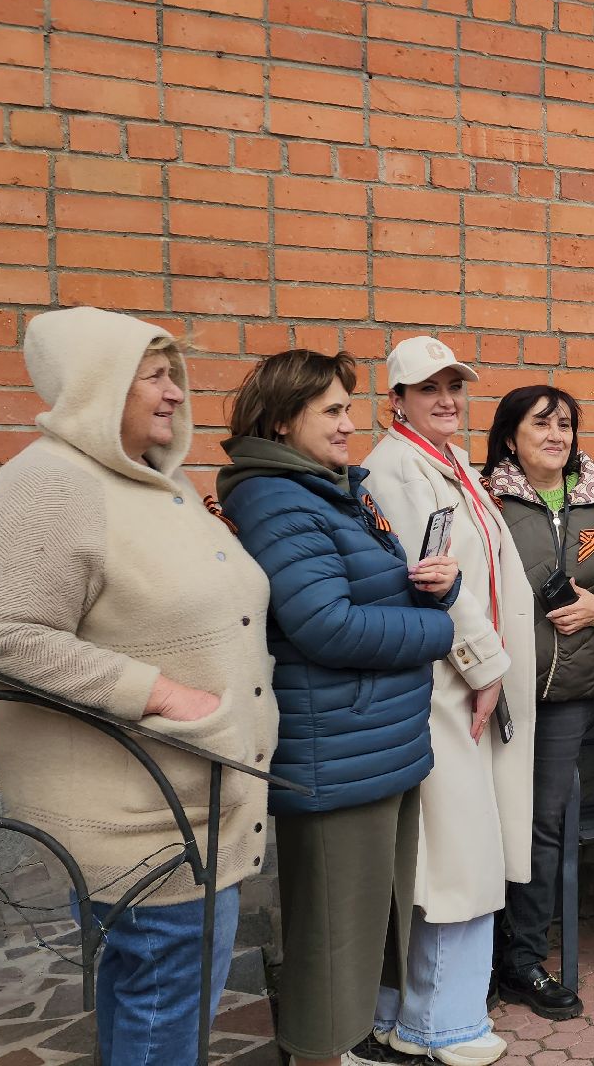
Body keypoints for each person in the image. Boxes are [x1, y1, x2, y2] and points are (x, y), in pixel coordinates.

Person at [0, 307, 281, 1066]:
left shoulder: (152, 487)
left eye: (175, 375)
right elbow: (4, 634)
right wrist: (162, 694)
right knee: (166, 1003)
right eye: (156, 376)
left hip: (193, 796)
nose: (176, 394)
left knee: (159, 997)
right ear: (99, 385)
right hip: (142, 810)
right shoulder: (50, 483)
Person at [216, 349, 460, 1066]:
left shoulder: (326, 488)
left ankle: (340, 1046)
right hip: (336, 741)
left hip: (371, 736)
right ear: (283, 420)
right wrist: (439, 627)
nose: (350, 424)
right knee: (334, 927)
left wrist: (431, 586)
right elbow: (325, 623)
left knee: (362, 920)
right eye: (332, 410)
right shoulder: (277, 498)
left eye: (348, 408)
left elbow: (367, 591)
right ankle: (318, 1053)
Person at [358, 336, 537, 1066]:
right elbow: (429, 576)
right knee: (450, 855)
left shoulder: (451, 462)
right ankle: (434, 1022)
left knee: (467, 848)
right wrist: (484, 663)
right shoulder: (395, 467)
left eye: (455, 386)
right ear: (396, 398)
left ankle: (425, 1010)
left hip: (474, 681)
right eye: (428, 388)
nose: (447, 399)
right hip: (447, 685)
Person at [482, 384, 594, 1020]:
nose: (556, 435)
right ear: (510, 434)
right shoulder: (483, 501)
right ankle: (470, 953)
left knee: (543, 825)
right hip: (493, 694)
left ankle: (522, 959)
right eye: (541, 423)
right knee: (482, 823)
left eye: (566, 424)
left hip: (570, 695)